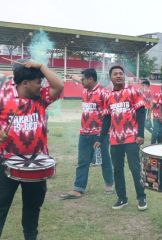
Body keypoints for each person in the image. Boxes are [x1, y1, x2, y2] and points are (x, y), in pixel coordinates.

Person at [0, 60, 63, 240]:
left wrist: (41, 66)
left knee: (32, 207)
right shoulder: (3, 95)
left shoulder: (41, 96)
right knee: (1, 206)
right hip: (5, 162)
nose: (41, 85)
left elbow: (58, 85)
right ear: (25, 83)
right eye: (38, 81)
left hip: (37, 164)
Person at [94, 65, 147, 210]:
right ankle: (122, 198)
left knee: (135, 169)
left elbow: (142, 113)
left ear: (124, 76)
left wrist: (140, 134)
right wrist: (100, 138)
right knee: (117, 170)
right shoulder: (107, 96)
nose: (118, 76)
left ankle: (141, 198)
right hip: (115, 140)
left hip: (131, 138)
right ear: (110, 78)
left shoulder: (133, 91)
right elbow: (106, 119)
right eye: (115, 74)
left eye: (120, 73)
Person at [60, 68, 114, 200]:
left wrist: (103, 135)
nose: (81, 81)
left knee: (104, 160)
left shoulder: (104, 93)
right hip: (84, 133)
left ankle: (109, 184)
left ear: (90, 79)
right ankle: (78, 188)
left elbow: (110, 115)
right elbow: (78, 79)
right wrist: (72, 76)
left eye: (83, 79)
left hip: (99, 135)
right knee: (82, 161)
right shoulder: (85, 89)